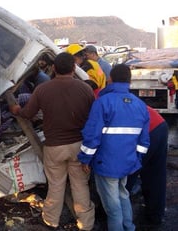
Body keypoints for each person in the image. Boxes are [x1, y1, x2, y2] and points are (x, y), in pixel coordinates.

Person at [10, 52, 95, 230]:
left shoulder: (43, 89)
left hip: (55, 147)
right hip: (79, 145)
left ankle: (50, 220)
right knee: (80, 184)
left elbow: (28, 114)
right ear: (73, 68)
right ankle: (86, 224)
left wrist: (17, 109)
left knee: (56, 185)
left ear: (54, 69)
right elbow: (93, 119)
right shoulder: (85, 89)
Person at [77, 64, 150, 231]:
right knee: (123, 194)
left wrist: (85, 159)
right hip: (127, 162)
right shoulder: (140, 105)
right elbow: (144, 141)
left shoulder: (102, 102)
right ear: (130, 80)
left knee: (112, 206)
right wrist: (135, 160)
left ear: (110, 79)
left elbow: (92, 136)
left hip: (106, 163)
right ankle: (129, 227)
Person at [126, 106, 168, 227]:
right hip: (159, 124)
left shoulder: (95, 101)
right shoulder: (104, 94)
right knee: (155, 176)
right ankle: (155, 216)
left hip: (143, 132)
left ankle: (117, 219)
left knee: (123, 178)